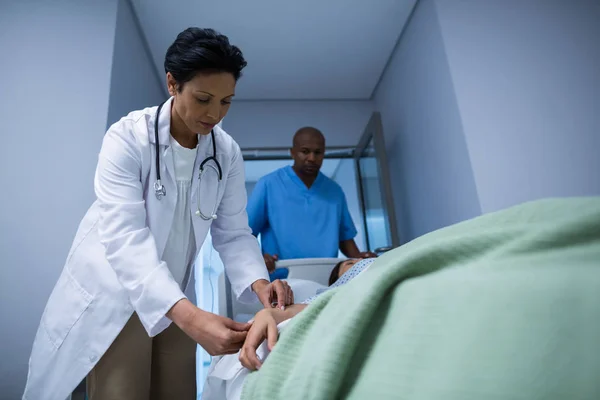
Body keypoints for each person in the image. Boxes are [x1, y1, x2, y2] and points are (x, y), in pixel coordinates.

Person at [23, 27, 293, 400]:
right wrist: (193, 319)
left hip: (176, 292)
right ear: (172, 83)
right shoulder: (127, 138)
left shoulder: (225, 152)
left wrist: (261, 286)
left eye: (226, 101)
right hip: (119, 292)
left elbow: (233, 233)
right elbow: (124, 239)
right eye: (203, 99)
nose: (215, 114)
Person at [247, 127, 376, 274]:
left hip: (326, 280)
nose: (312, 158)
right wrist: (258, 257)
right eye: (305, 151)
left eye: (318, 152)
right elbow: (246, 233)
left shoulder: (334, 191)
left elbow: (344, 238)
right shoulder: (268, 185)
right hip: (281, 281)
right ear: (292, 152)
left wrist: (361, 260)